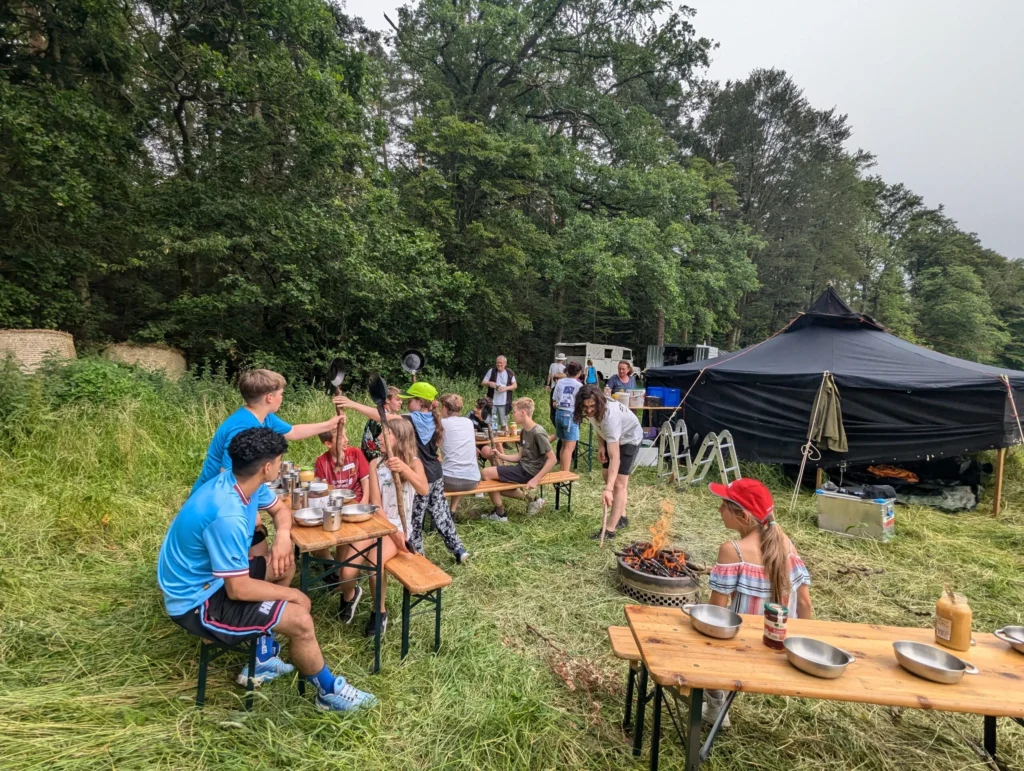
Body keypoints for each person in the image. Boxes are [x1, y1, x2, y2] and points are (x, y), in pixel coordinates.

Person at [158, 428, 376, 712]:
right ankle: (327, 692)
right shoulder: (228, 515)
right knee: (300, 619)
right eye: (280, 458)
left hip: (211, 580)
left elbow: (281, 512)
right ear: (268, 467)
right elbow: (239, 589)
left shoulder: (239, 481)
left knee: (283, 564)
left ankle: (261, 658)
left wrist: (283, 538)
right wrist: (293, 595)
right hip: (196, 602)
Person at [704, 477, 813, 726]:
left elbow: (715, 613)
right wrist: (802, 648)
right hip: (783, 651)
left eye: (724, 505)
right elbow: (805, 604)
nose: (719, 509)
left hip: (741, 652)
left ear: (742, 516)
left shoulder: (733, 551)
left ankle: (715, 706)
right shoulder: (787, 545)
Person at [336, 383, 469, 564]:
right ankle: (458, 549)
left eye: (410, 400)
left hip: (416, 476)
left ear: (420, 402)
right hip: (435, 474)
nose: (406, 403)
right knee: (441, 513)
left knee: (413, 522)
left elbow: (383, 416)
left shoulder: (409, 420)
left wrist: (352, 404)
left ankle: (417, 558)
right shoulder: (434, 419)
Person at [338, 419, 428, 637]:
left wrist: (404, 468)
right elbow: (376, 505)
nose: (378, 438)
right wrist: (389, 530)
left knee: (374, 565)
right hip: (378, 523)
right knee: (347, 571)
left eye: (384, 434)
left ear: (399, 438)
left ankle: (379, 612)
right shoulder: (375, 464)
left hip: (399, 526)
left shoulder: (414, 463)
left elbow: (424, 489)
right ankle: (350, 596)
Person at [191, 369, 341, 496]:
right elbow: (227, 473)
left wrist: (330, 424)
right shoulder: (243, 426)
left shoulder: (265, 417)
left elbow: (294, 431)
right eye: (281, 394)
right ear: (270, 397)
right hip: (212, 496)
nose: (282, 398)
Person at [574, 384, 642, 540]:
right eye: (585, 407)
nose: (589, 410)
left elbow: (615, 458)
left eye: (592, 406)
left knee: (618, 484)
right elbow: (598, 426)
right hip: (611, 437)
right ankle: (622, 515)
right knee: (606, 474)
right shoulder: (591, 409)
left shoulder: (610, 416)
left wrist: (608, 490)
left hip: (630, 438)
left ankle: (610, 530)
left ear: (599, 402)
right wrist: (601, 446)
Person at [479, 398, 556, 521]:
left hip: (530, 472)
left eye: (514, 412)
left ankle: (500, 514)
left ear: (523, 413)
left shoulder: (538, 432)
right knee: (499, 486)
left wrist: (536, 479)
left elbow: (552, 459)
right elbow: (519, 457)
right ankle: (533, 501)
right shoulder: (524, 431)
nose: (512, 415)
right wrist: (500, 455)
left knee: (485, 473)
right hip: (522, 468)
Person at [439, 393, 481, 512]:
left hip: (449, 481)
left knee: (431, 471)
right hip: (472, 480)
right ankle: (452, 510)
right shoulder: (468, 422)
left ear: (445, 408)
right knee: (459, 464)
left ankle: (439, 512)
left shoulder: (442, 423)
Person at [314, 416, 370, 501]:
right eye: (341, 437)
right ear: (328, 444)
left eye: (345, 435)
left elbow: (365, 479)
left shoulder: (355, 453)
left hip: (356, 500)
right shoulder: (321, 462)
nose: (346, 440)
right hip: (334, 502)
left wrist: (365, 500)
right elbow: (323, 487)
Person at [551, 361, 583, 472]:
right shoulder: (579, 385)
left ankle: (562, 470)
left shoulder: (559, 382)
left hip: (559, 413)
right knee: (569, 448)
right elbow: (581, 403)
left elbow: (554, 402)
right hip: (570, 415)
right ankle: (565, 473)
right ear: (579, 372)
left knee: (564, 445)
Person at [359, 384, 402, 463]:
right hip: (374, 460)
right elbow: (370, 447)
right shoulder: (379, 417)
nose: (401, 402)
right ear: (388, 400)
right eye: (397, 399)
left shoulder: (389, 415)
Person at [480, 355, 517, 428]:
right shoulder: (491, 371)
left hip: (504, 403)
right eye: (497, 363)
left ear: (505, 363)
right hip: (492, 403)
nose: (498, 364)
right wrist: (489, 383)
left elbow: (515, 385)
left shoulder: (509, 372)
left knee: (503, 424)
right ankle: (493, 436)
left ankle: (504, 438)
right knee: (491, 422)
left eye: (501, 363)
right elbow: (483, 382)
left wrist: (506, 388)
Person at [545, 352, 567, 425]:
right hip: (561, 387)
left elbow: (549, 375)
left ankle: (553, 417)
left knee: (552, 402)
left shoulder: (552, 365)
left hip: (553, 386)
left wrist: (547, 384)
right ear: (563, 360)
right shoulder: (564, 368)